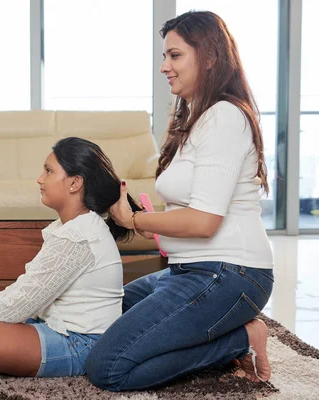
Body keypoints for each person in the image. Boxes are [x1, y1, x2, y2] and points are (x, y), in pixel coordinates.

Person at [85, 11, 274, 391]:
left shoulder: (223, 118)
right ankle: (213, 334)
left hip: (228, 273)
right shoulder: (196, 119)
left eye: (174, 56)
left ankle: (243, 338)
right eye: (164, 56)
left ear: (209, 56)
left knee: (107, 368)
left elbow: (204, 221)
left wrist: (134, 221)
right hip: (186, 271)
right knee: (97, 316)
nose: (164, 67)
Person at [0, 137, 142, 383]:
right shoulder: (71, 226)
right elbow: (29, 288)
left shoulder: (79, 236)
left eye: (49, 171)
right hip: (54, 321)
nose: (40, 179)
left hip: (79, 343)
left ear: (75, 183)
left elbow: (24, 302)